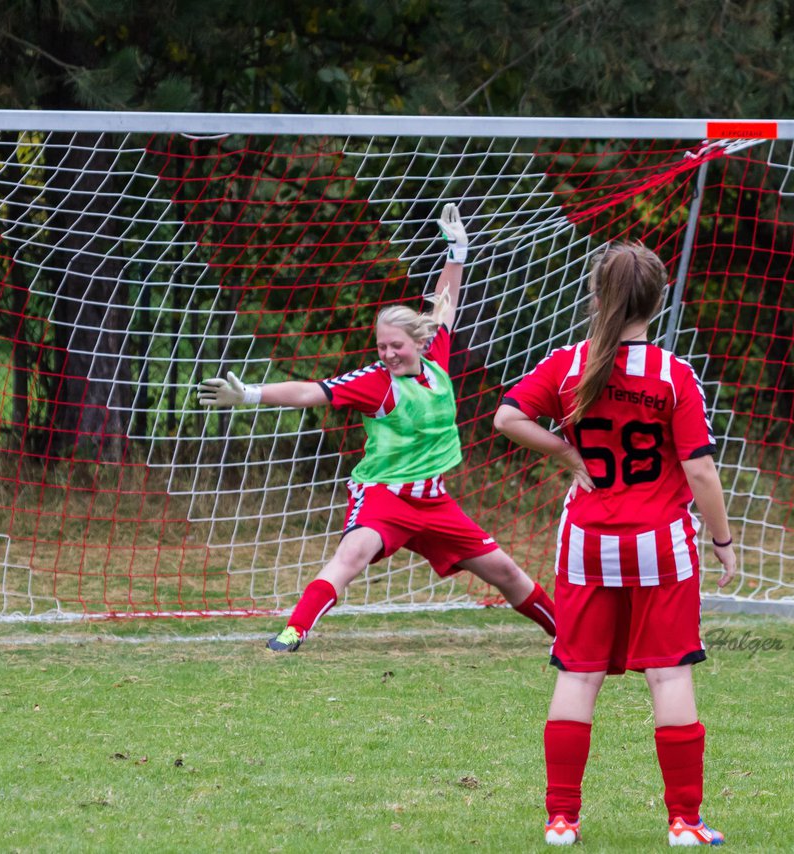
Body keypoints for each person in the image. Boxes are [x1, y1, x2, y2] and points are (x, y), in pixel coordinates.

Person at [199, 204, 556, 652]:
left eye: (396, 345)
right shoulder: (375, 383)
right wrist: (250, 394)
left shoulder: (436, 358)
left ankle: (569, 636)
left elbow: (444, 305)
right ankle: (292, 634)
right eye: (381, 345)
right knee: (351, 557)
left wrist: (457, 252)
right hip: (385, 496)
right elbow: (311, 392)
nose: (388, 353)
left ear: (419, 343)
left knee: (506, 572)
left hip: (434, 501)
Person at [493, 242, 737, 847]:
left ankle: (561, 819)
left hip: (587, 542)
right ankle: (684, 820)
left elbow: (505, 419)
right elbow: (701, 472)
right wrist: (723, 539)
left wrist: (564, 451)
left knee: (578, 675)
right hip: (662, 542)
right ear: (658, 301)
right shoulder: (672, 375)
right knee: (668, 674)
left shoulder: (568, 365)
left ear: (598, 296)